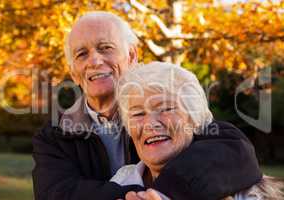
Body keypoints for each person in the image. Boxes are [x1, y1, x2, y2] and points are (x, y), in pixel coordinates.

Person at [32, 11, 262, 200]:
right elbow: (56, 194)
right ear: (73, 73)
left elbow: (234, 153)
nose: (94, 61)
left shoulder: (177, 112)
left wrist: (162, 194)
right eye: (82, 54)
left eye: (105, 48)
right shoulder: (54, 136)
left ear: (132, 55)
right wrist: (143, 196)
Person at [111, 61, 284, 200]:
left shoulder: (242, 188)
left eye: (165, 109)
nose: (150, 123)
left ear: (194, 119)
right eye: (138, 114)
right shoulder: (122, 180)